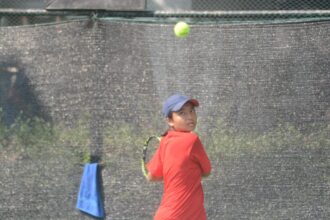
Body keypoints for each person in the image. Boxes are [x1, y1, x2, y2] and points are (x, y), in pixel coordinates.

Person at [146, 94, 212, 220]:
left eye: (192, 111)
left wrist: (177, 176)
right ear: (170, 121)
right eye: (182, 113)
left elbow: (151, 177)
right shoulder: (193, 139)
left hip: (167, 214)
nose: (190, 117)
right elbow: (207, 172)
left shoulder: (165, 141)